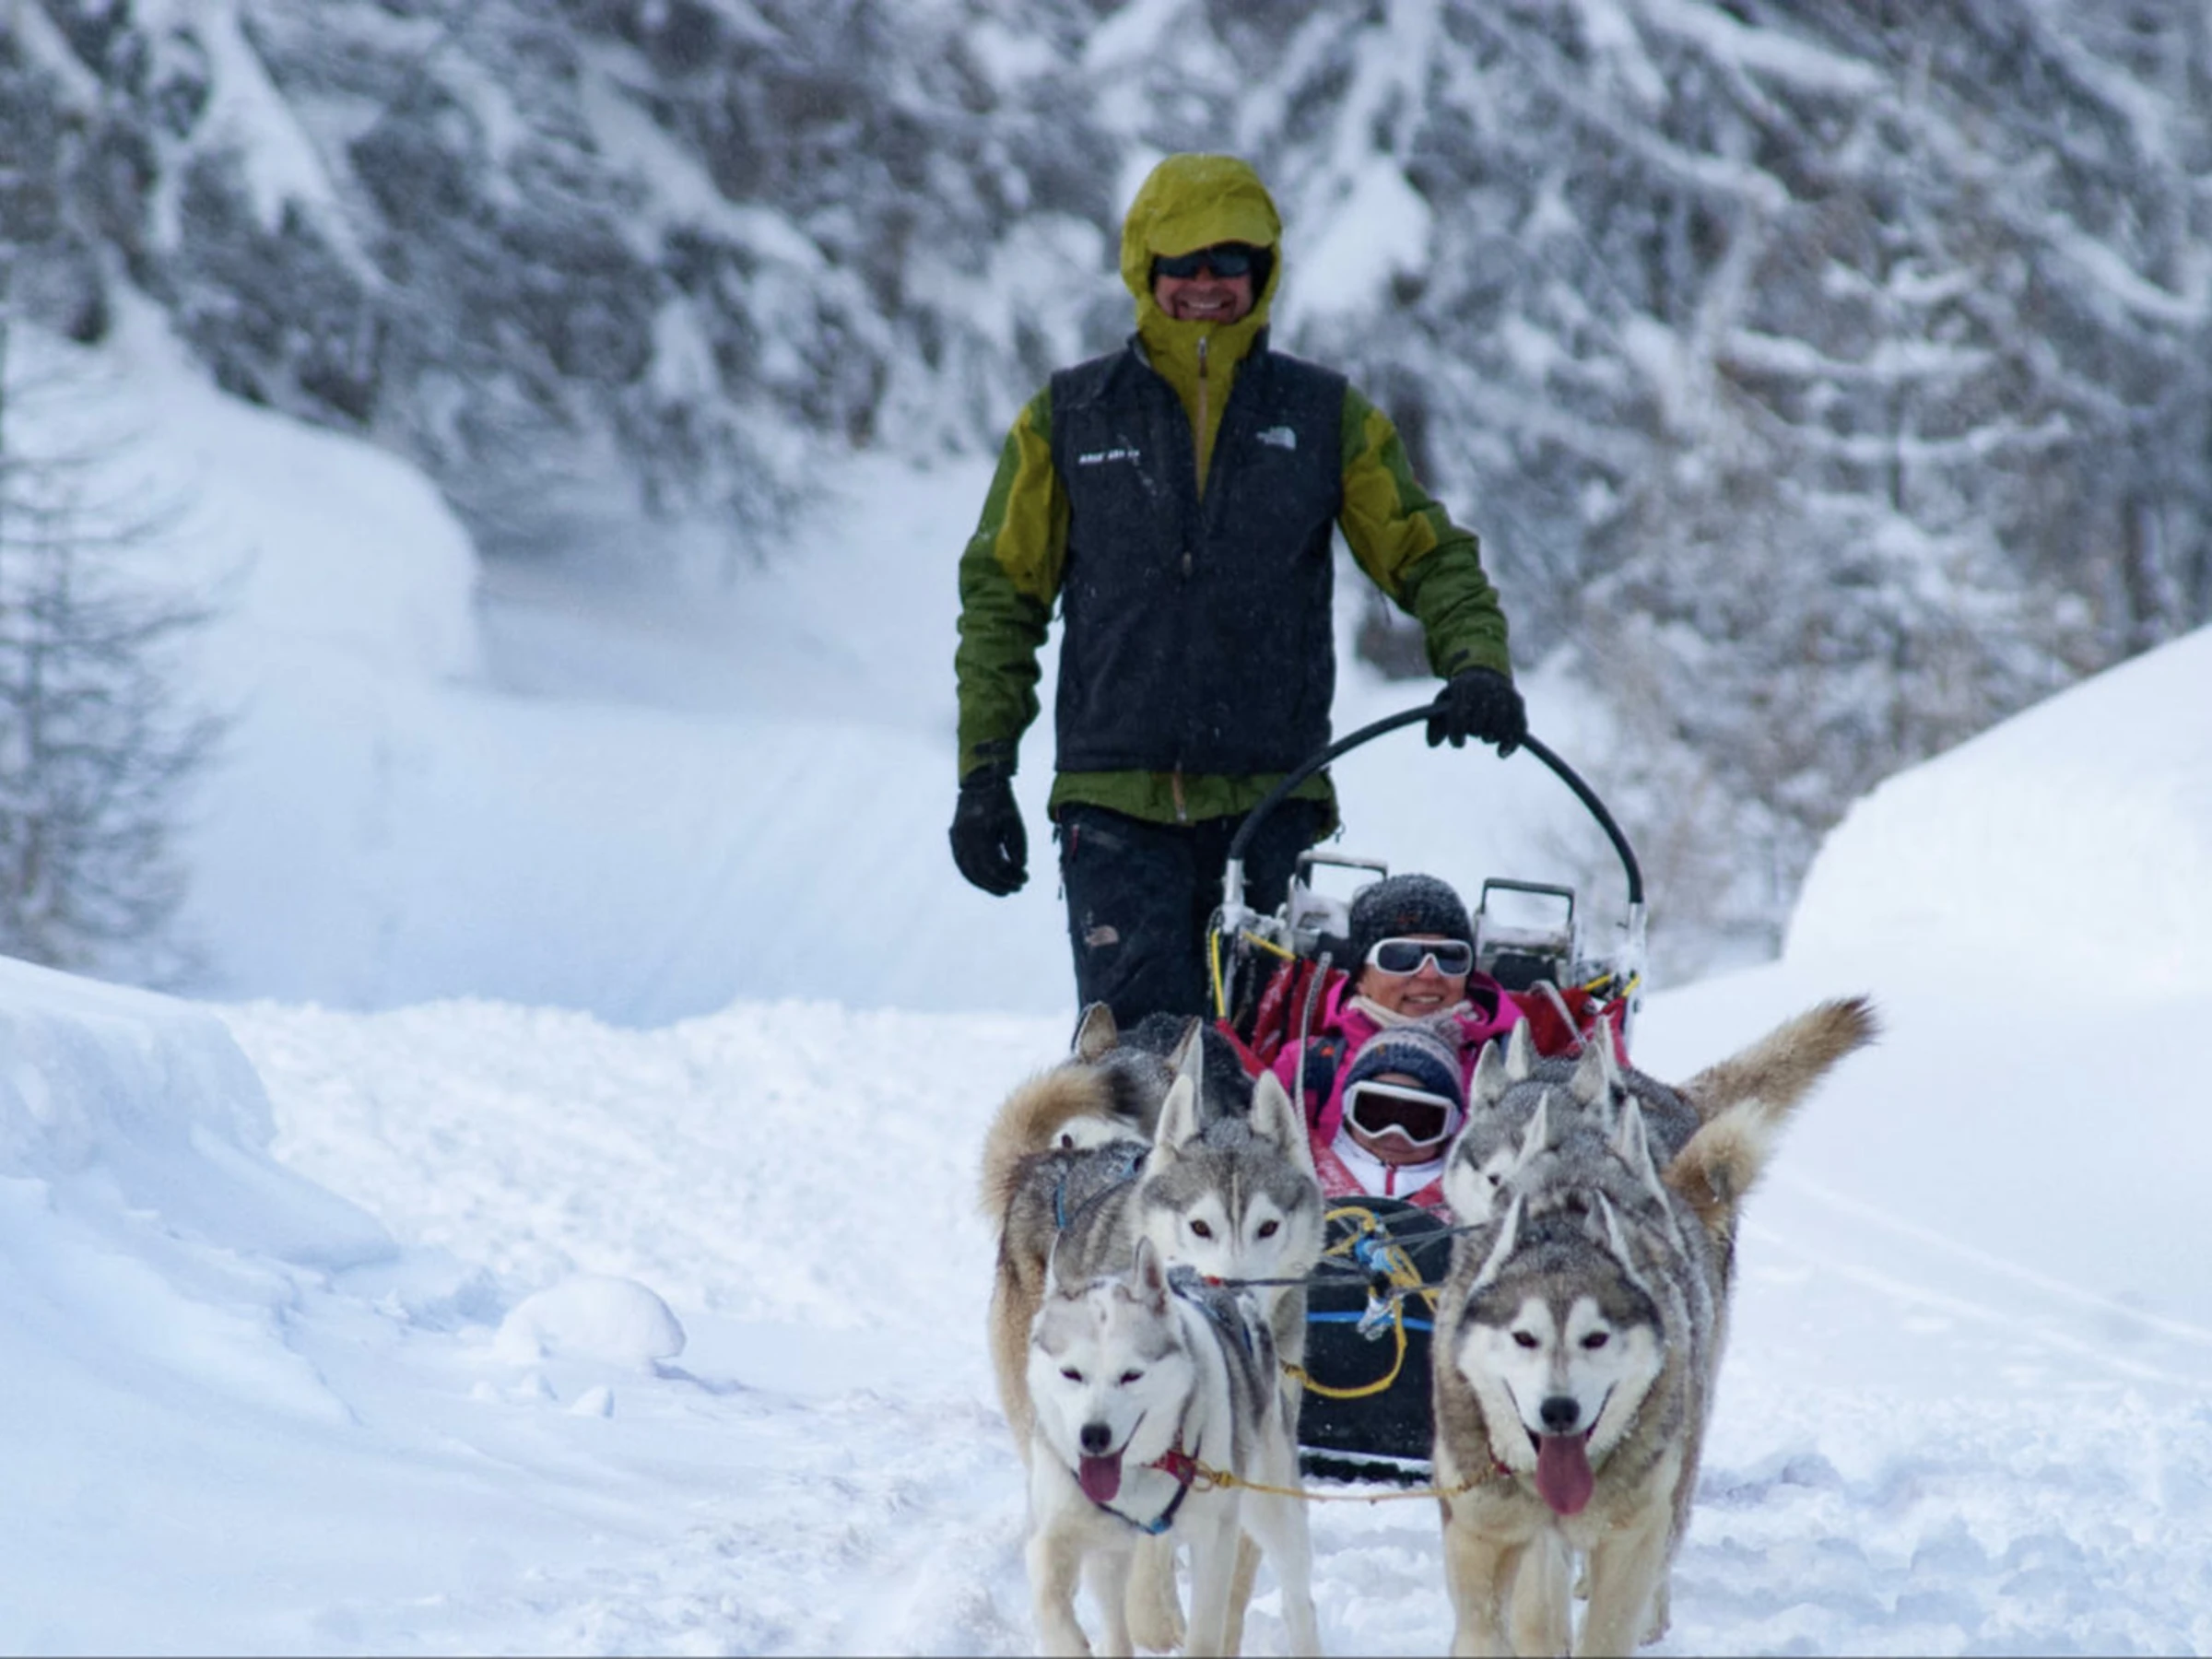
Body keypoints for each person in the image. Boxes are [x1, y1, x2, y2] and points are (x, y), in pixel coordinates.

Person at [949, 152, 1526, 1030]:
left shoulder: (1323, 417)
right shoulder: (1069, 417)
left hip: (1272, 808)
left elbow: (1427, 554)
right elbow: (1003, 599)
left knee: (1275, 1070)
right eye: (1182, 260)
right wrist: (984, 774)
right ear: (1145, 268)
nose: (1206, 282)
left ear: (1263, 269)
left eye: (1230, 259)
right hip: (1116, 808)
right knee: (1140, 1070)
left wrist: (1477, 662)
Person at [1270, 872, 1524, 1213]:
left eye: (1450, 957)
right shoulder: (1309, 1066)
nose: (1430, 974)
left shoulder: (1508, 1072)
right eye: (1401, 956)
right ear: (1360, 976)